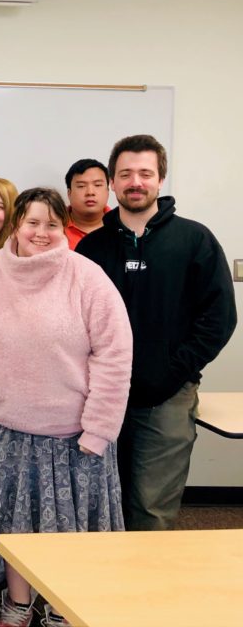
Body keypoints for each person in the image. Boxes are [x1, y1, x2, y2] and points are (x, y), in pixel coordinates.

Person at [0, 188, 132, 627]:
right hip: (6, 427)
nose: (41, 233)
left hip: (74, 434)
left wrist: (100, 428)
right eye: (32, 222)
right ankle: (17, 605)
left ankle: (62, 607)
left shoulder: (87, 277)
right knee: (16, 531)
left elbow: (115, 354)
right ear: (16, 224)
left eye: (51, 224)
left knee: (69, 532)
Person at [77, 135, 236, 531]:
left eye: (145, 173)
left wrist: (171, 372)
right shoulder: (91, 249)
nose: (136, 182)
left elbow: (219, 319)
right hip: (96, 397)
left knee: (150, 510)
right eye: (126, 173)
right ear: (112, 182)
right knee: (96, 504)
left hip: (166, 398)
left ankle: (143, 593)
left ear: (160, 180)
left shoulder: (194, 239)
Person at [63, 158, 110, 249]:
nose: (90, 192)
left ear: (107, 191)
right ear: (69, 193)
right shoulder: (54, 226)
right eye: (81, 186)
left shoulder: (123, 225)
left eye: (97, 185)